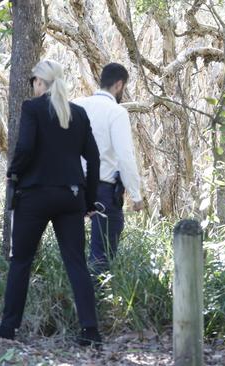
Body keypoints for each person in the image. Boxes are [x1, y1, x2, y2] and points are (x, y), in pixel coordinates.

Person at [0, 59, 102, 347]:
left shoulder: (33, 108)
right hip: (70, 197)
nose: (33, 87)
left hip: (35, 196)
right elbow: (94, 157)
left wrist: (13, 173)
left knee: (21, 262)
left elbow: (26, 147)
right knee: (76, 263)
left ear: (40, 82)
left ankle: (8, 327)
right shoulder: (77, 114)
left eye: (34, 82)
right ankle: (90, 331)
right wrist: (89, 199)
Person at [73, 62, 144, 276]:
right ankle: (95, 301)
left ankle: (73, 298)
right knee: (101, 253)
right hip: (103, 190)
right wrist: (136, 195)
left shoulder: (76, 105)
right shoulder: (116, 112)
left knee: (71, 251)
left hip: (71, 186)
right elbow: (125, 157)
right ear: (119, 84)